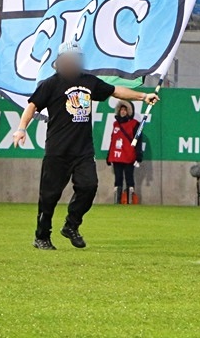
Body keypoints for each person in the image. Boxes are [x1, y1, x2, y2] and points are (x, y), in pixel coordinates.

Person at [12, 42, 160, 251]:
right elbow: (32, 106)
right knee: (49, 196)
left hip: (83, 151)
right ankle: (42, 236)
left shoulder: (88, 82)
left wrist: (143, 96)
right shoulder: (50, 84)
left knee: (89, 187)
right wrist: (21, 129)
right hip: (57, 150)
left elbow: (116, 91)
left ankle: (71, 225)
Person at [105, 100, 144, 205]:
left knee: (129, 177)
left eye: (125, 110)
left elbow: (138, 140)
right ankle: (117, 200)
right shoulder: (115, 124)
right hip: (117, 155)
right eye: (121, 110)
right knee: (118, 178)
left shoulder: (134, 124)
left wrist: (138, 155)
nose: (123, 112)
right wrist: (109, 155)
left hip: (129, 155)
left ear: (129, 111)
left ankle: (129, 199)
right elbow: (113, 139)